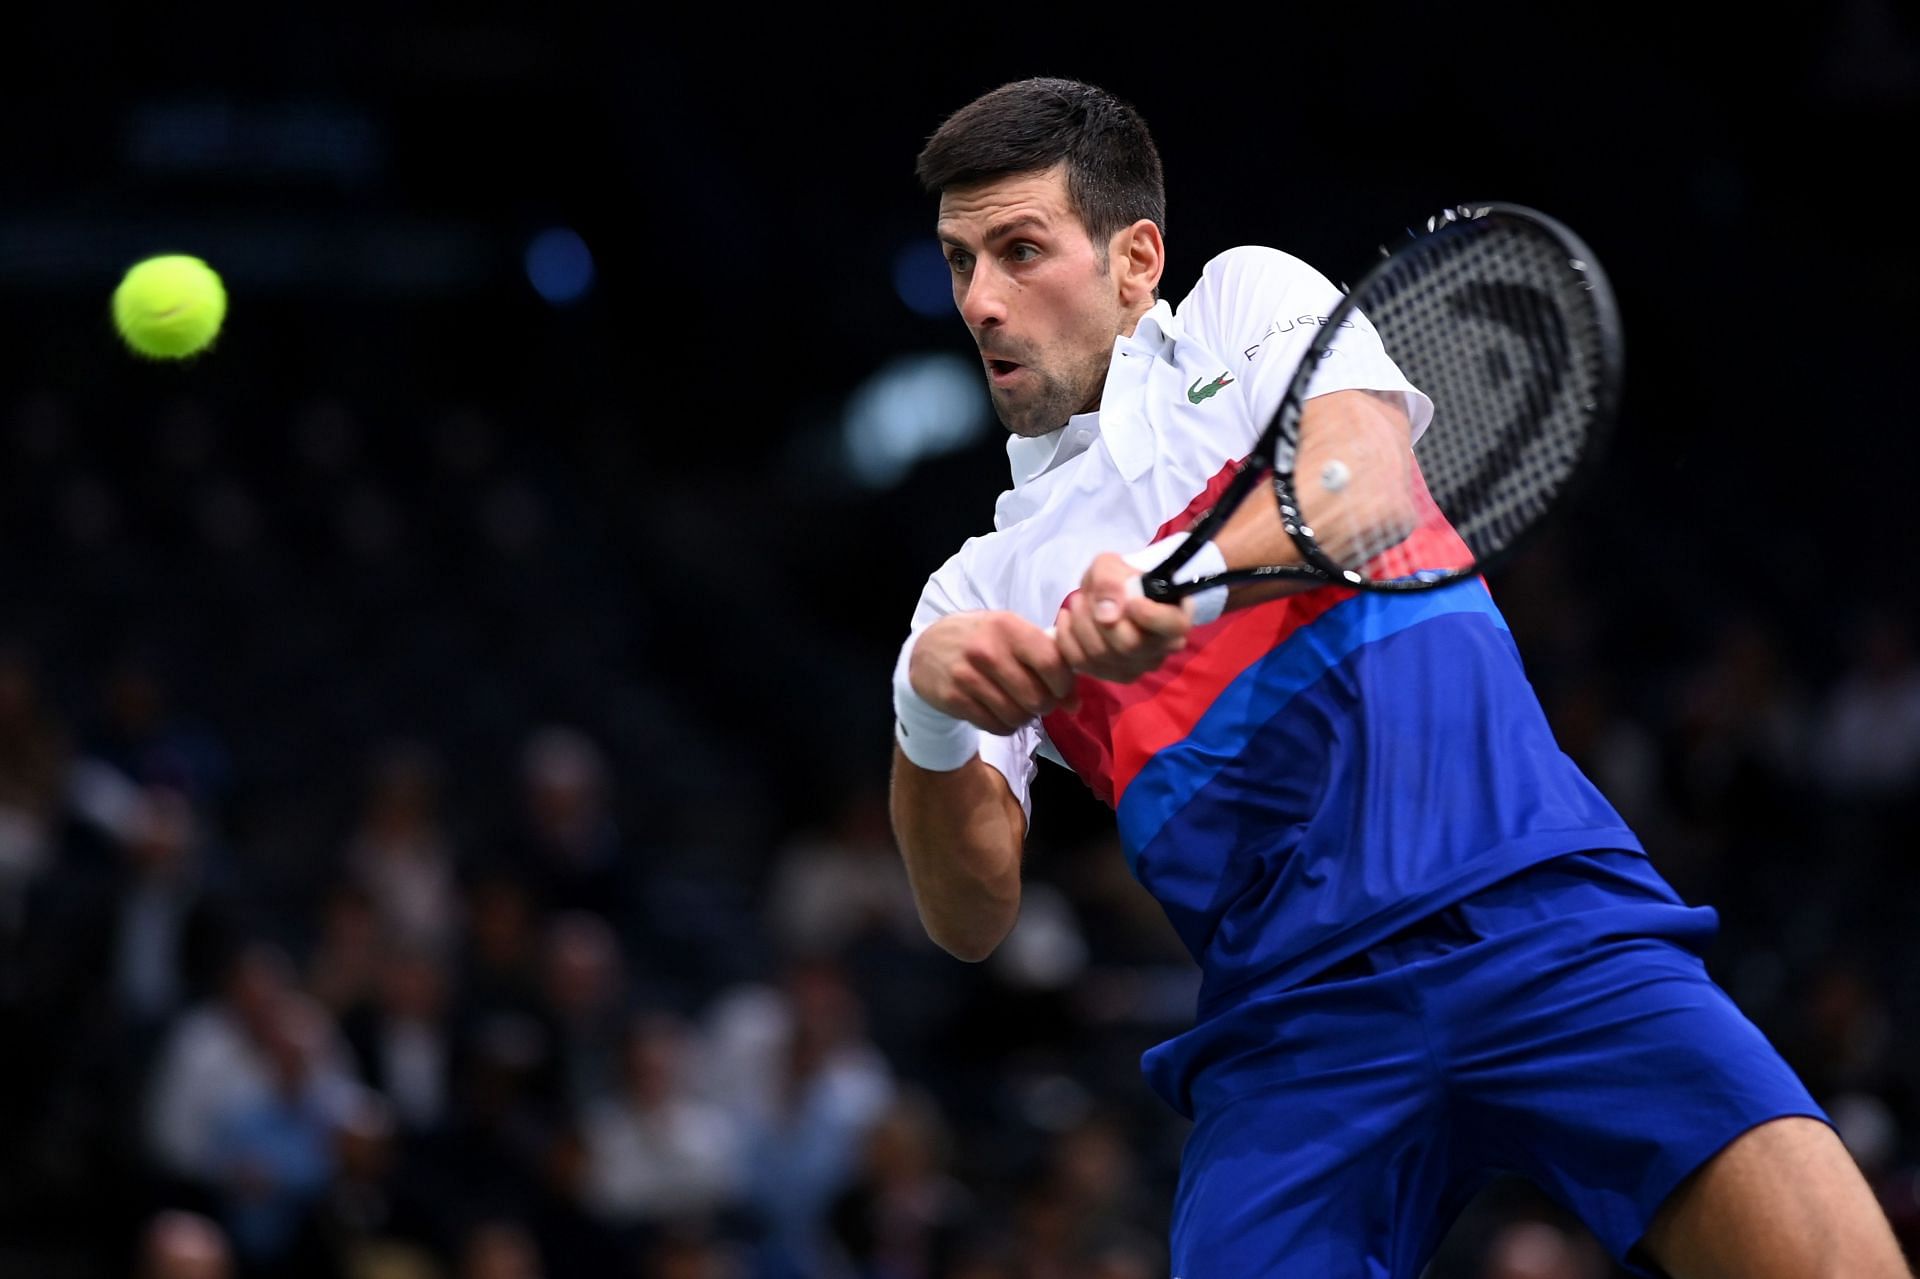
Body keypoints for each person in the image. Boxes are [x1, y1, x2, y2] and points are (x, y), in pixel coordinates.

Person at [886, 76, 1910, 1278]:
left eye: (1018, 251)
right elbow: (969, 915)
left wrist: (1175, 583)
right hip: (1294, 1034)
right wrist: (930, 713)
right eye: (959, 262)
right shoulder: (979, 585)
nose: (980, 301)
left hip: (1535, 907)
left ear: (1134, 260)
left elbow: (1362, 486)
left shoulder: (1240, 307)